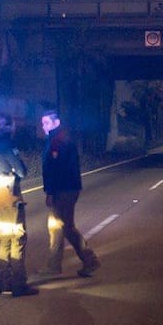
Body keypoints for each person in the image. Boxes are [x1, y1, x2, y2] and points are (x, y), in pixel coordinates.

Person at [0, 117, 38, 297]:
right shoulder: (6, 144)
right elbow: (21, 171)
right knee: (17, 238)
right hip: (6, 197)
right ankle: (18, 285)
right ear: (8, 129)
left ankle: (3, 282)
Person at [40, 109, 100, 277]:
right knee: (56, 228)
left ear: (56, 123)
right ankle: (53, 266)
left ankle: (90, 260)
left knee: (66, 227)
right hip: (63, 189)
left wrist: (51, 192)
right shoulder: (55, 139)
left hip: (64, 190)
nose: (42, 126)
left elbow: (58, 170)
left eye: (46, 122)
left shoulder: (59, 140)